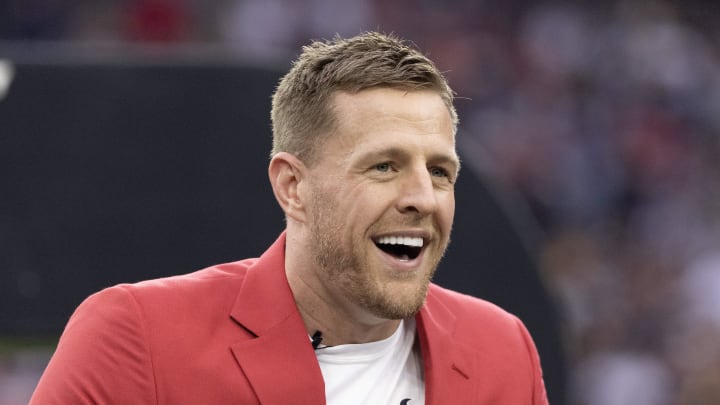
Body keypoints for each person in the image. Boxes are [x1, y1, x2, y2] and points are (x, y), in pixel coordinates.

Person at [30, 32, 549, 404]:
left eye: (439, 171)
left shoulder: (502, 350)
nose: (423, 198)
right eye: (384, 166)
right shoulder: (136, 339)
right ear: (292, 187)